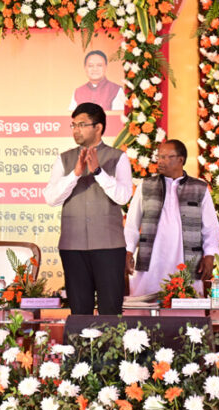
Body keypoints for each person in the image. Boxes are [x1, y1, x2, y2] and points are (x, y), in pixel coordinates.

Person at [44, 102, 132, 314]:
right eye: (73, 125)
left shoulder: (118, 157)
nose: (76, 130)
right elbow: (51, 198)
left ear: (98, 127)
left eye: (82, 125)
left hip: (109, 247)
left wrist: (99, 172)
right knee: (79, 311)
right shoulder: (64, 159)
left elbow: (123, 197)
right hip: (72, 246)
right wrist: (75, 174)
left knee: (110, 310)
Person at [124, 139, 219, 297]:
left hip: (186, 258)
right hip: (152, 258)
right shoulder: (145, 186)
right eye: (159, 157)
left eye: (166, 157)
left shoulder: (199, 188)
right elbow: (131, 224)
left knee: (186, 299)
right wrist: (128, 251)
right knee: (144, 299)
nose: (160, 161)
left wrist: (209, 255)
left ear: (180, 160)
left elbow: (210, 227)